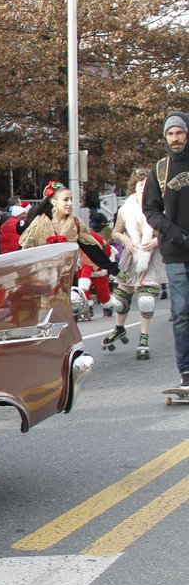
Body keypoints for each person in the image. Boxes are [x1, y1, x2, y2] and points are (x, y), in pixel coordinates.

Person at [142, 110, 189, 386]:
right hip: (174, 252)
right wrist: (176, 234)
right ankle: (186, 371)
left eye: (179, 132)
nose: (175, 138)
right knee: (182, 313)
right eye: (170, 134)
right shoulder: (160, 169)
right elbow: (151, 210)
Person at [104, 169, 165, 357]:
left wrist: (157, 240)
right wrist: (125, 240)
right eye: (139, 183)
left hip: (152, 255)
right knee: (120, 301)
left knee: (146, 301)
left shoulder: (161, 207)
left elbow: (170, 229)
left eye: (146, 183)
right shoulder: (126, 208)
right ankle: (119, 328)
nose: (142, 187)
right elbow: (115, 232)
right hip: (132, 254)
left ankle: (144, 339)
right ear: (134, 186)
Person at [18, 181, 122, 277]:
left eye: (71, 199)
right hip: (41, 277)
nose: (70, 203)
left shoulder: (75, 223)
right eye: (65, 199)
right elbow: (24, 251)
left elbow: (92, 249)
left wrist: (113, 269)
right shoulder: (38, 223)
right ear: (54, 202)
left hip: (66, 277)